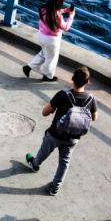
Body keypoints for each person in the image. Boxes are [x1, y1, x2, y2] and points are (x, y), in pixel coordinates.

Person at [25, 66, 99, 195]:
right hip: (73, 138)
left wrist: (54, 108)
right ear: (87, 82)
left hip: (55, 134)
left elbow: (44, 112)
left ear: (72, 79)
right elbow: (94, 117)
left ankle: (35, 164)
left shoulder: (63, 95)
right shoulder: (91, 99)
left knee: (44, 152)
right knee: (64, 162)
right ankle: (55, 186)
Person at [23, 0, 76, 82]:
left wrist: (65, 10)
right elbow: (66, 27)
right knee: (51, 58)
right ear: (59, 3)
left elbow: (54, 12)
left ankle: (29, 67)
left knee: (44, 53)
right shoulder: (57, 15)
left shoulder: (43, 9)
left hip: (42, 36)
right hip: (52, 40)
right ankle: (48, 76)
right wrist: (71, 15)